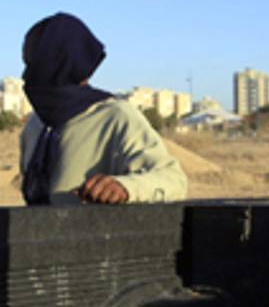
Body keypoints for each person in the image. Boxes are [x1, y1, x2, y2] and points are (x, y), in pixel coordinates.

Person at [19, 12, 187, 205]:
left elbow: (174, 180)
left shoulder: (116, 117)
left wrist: (126, 188)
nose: (26, 76)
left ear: (59, 64)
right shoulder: (35, 126)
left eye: (34, 65)